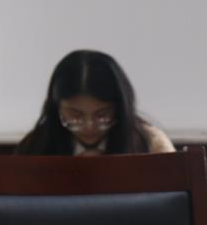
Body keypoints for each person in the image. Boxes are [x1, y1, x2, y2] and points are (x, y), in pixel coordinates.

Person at [16, 49, 174, 156]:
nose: (89, 126)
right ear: (56, 108)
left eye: (102, 115)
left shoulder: (151, 144)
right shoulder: (35, 147)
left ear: (120, 109)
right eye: (75, 115)